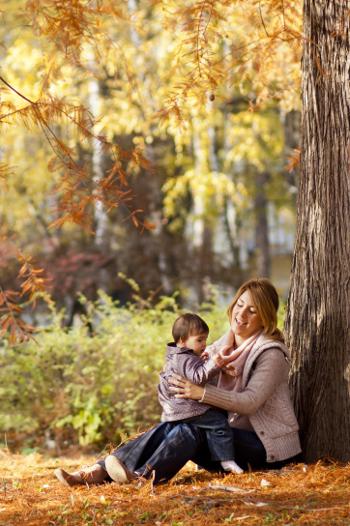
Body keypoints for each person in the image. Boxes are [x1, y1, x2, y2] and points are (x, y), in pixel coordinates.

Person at [54, 278, 301, 487]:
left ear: (265, 317)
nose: (242, 314)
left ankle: (140, 477)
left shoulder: (271, 354)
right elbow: (186, 380)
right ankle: (103, 471)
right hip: (222, 439)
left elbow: (250, 402)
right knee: (179, 423)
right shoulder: (217, 348)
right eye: (240, 304)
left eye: (253, 310)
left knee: (191, 428)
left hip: (265, 448)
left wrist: (200, 393)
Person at [158, 312, 243, 474]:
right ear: (182, 341)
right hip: (188, 408)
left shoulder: (179, 355)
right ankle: (227, 461)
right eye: (199, 340)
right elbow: (198, 377)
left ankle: (204, 462)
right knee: (219, 423)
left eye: (205, 339)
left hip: (177, 408)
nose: (204, 344)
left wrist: (202, 361)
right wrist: (215, 363)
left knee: (206, 428)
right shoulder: (185, 358)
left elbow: (191, 372)